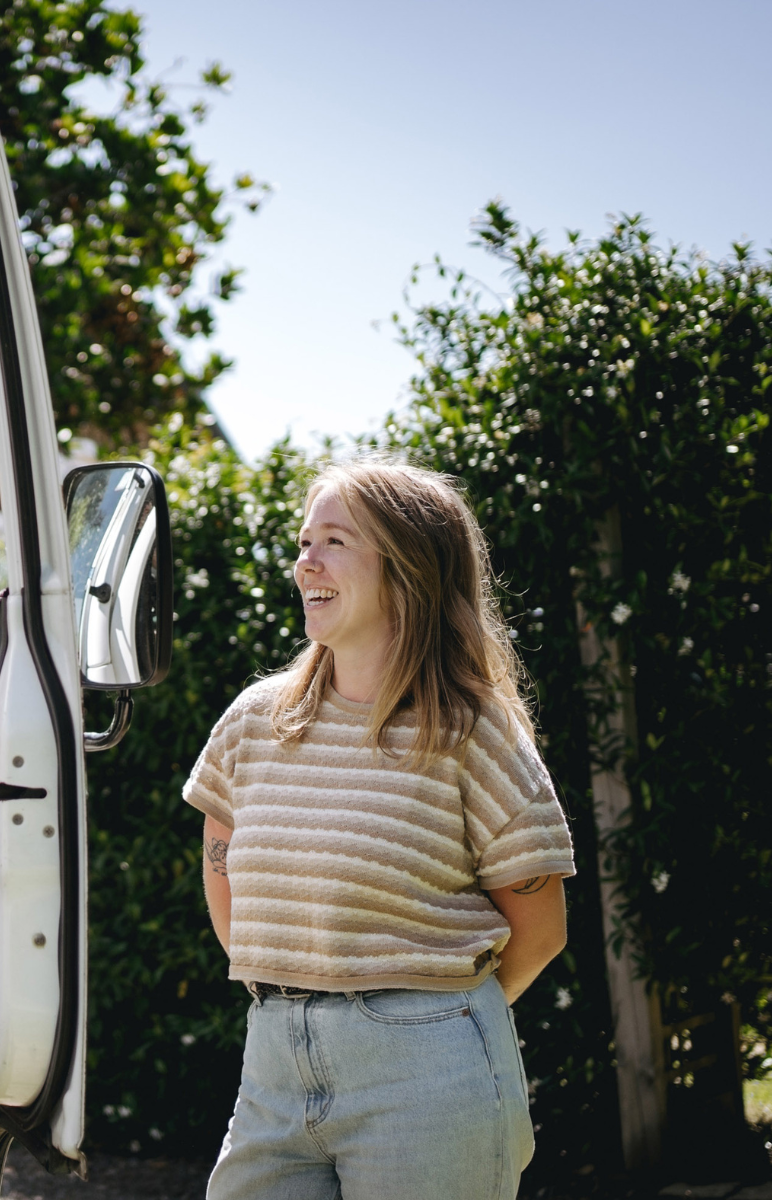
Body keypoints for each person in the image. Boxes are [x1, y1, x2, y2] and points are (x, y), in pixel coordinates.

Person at [185, 459, 576, 1200]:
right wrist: (300, 984)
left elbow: (541, 928)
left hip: (429, 1075)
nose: (306, 562)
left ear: (407, 570)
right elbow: (223, 868)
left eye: (334, 541)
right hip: (273, 1062)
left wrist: (435, 1021)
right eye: (304, 542)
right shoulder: (255, 723)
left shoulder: (471, 732)